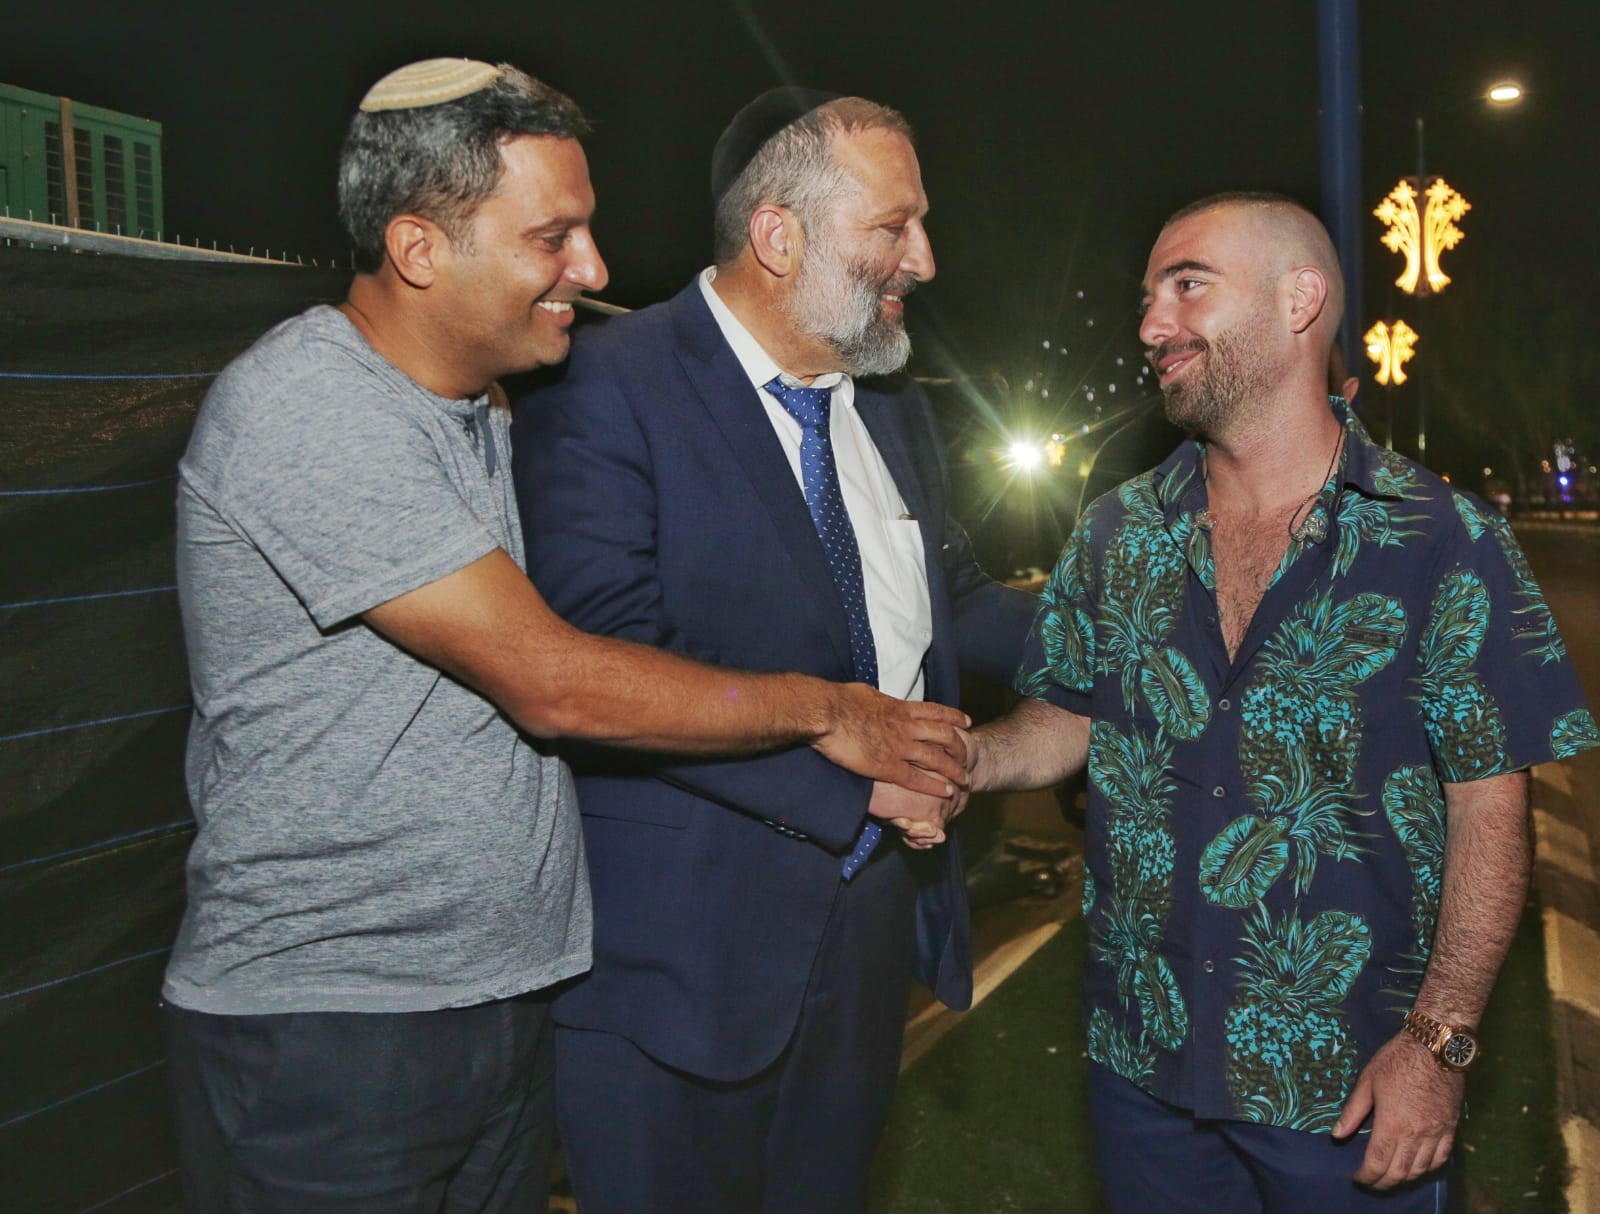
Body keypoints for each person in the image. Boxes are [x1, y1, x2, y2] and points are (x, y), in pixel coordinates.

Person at [161, 60, 972, 1214]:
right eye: (553, 238)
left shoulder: (489, 409)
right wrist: (832, 708)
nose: (592, 270)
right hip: (335, 1025)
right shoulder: (312, 405)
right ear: (419, 247)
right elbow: (556, 680)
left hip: (496, 1006)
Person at [967, 192, 1598, 1212]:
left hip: (1350, 1085)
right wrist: (966, 760)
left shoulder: (1441, 539)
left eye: (1187, 286)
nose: (1152, 324)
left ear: (1298, 300)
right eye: (1148, 296)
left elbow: (1490, 806)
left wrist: (1438, 1042)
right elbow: (1071, 717)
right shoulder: (1119, 530)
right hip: (1143, 1064)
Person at [513, 88, 1037, 1213]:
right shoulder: (604, 384)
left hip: (862, 948)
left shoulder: (889, 405)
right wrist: (858, 782)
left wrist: (1151, 633)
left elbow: (945, 599)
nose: (925, 260)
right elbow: (603, 661)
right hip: (676, 967)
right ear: (778, 234)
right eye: (893, 226)